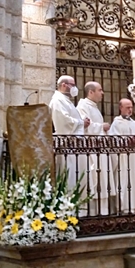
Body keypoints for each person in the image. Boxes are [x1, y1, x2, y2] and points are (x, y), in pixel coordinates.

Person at [49, 76, 91, 210]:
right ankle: (67, 209)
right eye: (72, 84)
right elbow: (63, 122)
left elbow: (71, 119)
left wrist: (82, 120)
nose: (74, 88)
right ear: (63, 85)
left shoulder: (65, 100)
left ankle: (76, 207)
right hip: (66, 145)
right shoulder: (57, 100)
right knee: (69, 177)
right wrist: (81, 123)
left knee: (75, 176)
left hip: (72, 145)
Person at [77, 81, 115, 215]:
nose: (103, 93)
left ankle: (103, 211)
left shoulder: (93, 106)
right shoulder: (82, 106)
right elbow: (84, 126)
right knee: (95, 179)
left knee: (102, 178)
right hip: (92, 148)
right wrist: (101, 127)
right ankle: (93, 213)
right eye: (100, 90)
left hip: (99, 147)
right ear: (91, 92)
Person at [109, 99, 135, 214]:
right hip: (124, 158)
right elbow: (113, 141)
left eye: (131, 107)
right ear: (120, 108)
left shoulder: (134, 123)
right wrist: (126, 142)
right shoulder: (116, 123)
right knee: (124, 182)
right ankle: (124, 208)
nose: (130, 110)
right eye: (127, 107)